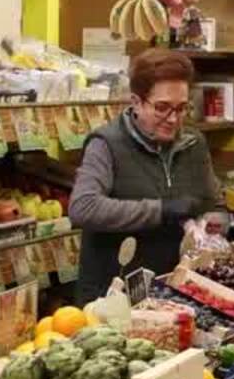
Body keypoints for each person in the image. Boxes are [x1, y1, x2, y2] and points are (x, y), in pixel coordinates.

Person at [69, 48, 222, 303]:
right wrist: (161, 210)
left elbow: (213, 201)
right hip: (113, 296)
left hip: (176, 290)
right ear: (136, 102)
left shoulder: (194, 143)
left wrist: (213, 227)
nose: (173, 119)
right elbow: (83, 208)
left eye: (181, 108)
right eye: (162, 108)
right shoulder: (106, 144)